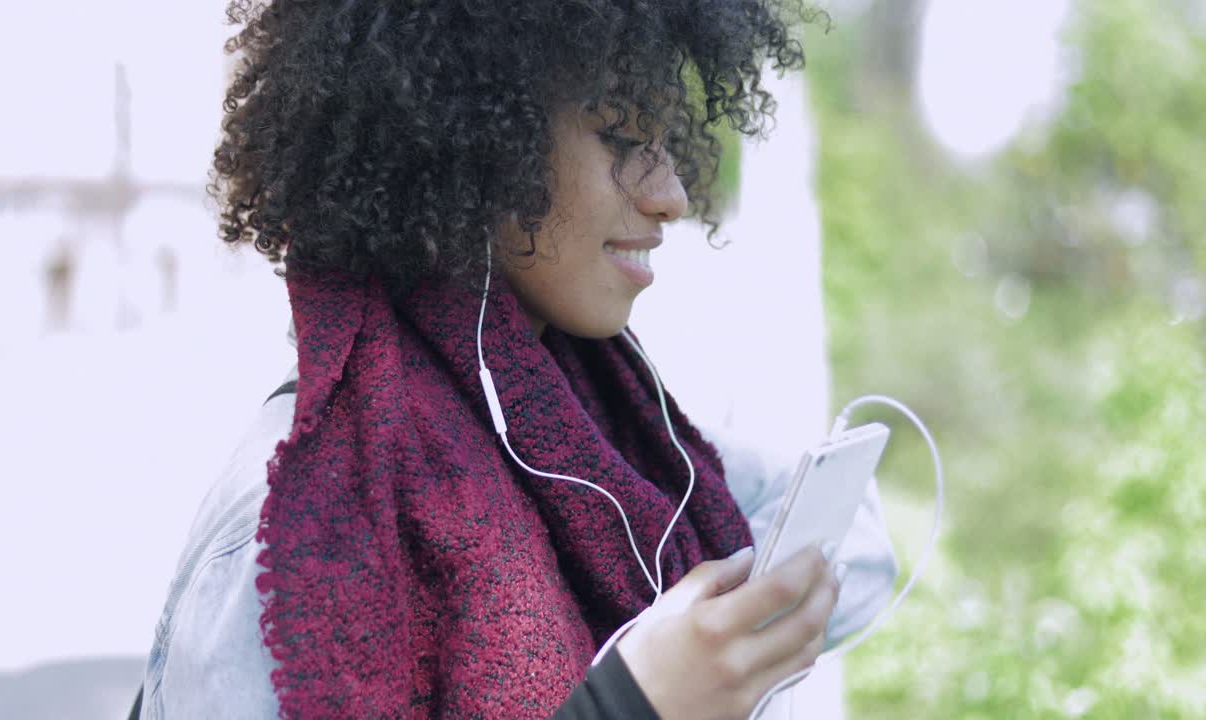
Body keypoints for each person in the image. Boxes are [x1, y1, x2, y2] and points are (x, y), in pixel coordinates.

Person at [139, 1, 897, 718]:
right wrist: (625, 705)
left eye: (665, 139)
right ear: (470, 140)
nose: (671, 194)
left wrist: (731, 631)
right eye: (621, 138)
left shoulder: (593, 434)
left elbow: (860, 544)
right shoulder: (294, 524)